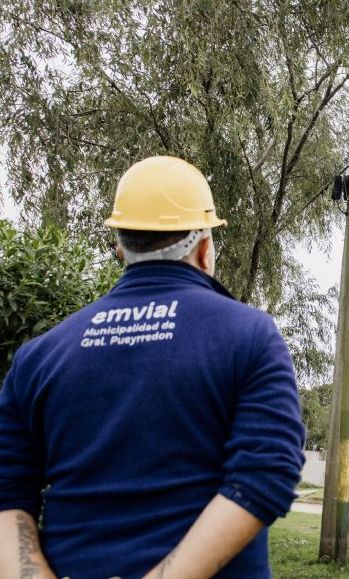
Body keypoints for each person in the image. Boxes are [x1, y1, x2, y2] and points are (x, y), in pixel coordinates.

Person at [0, 156, 305, 578]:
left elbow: (9, 492)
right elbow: (264, 475)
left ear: (121, 247)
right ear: (204, 247)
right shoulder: (249, 335)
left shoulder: (39, 355)